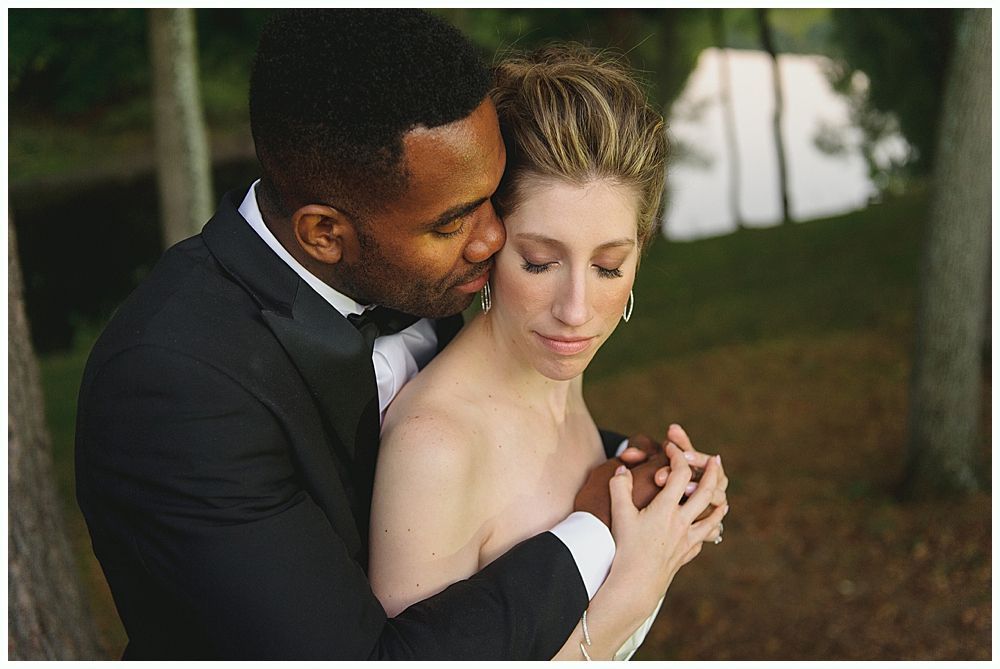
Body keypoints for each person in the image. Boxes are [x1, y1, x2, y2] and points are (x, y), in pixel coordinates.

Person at [74, 10, 723, 660]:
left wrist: (630, 470)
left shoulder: (417, 274)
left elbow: (495, 435)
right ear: (325, 234)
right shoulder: (173, 387)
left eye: (492, 197)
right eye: (453, 222)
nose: (493, 238)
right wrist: (594, 534)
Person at [369, 45, 730, 660]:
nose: (576, 309)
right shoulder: (436, 448)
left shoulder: (556, 374)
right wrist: (636, 589)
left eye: (610, 266)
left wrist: (655, 489)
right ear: (487, 241)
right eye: (539, 263)